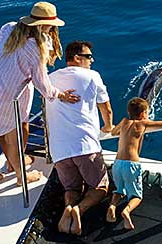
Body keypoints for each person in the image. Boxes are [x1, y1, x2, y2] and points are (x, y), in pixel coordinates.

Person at [0, 2, 80, 187]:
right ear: (43, 25)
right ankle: (21, 177)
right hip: (10, 99)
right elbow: (42, 83)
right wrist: (60, 95)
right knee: (13, 139)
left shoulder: (10, 28)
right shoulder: (36, 48)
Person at [45, 40, 114, 235]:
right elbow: (106, 108)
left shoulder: (50, 78)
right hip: (85, 146)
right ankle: (78, 210)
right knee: (101, 187)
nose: (92, 60)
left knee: (72, 188)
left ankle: (68, 208)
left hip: (59, 151)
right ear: (76, 58)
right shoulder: (92, 76)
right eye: (89, 57)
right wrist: (108, 127)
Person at [106, 97, 162, 230]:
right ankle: (127, 211)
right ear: (143, 114)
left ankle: (112, 206)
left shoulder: (124, 121)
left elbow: (113, 132)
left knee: (119, 189)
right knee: (137, 195)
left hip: (117, 163)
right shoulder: (143, 124)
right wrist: (148, 121)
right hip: (131, 164)